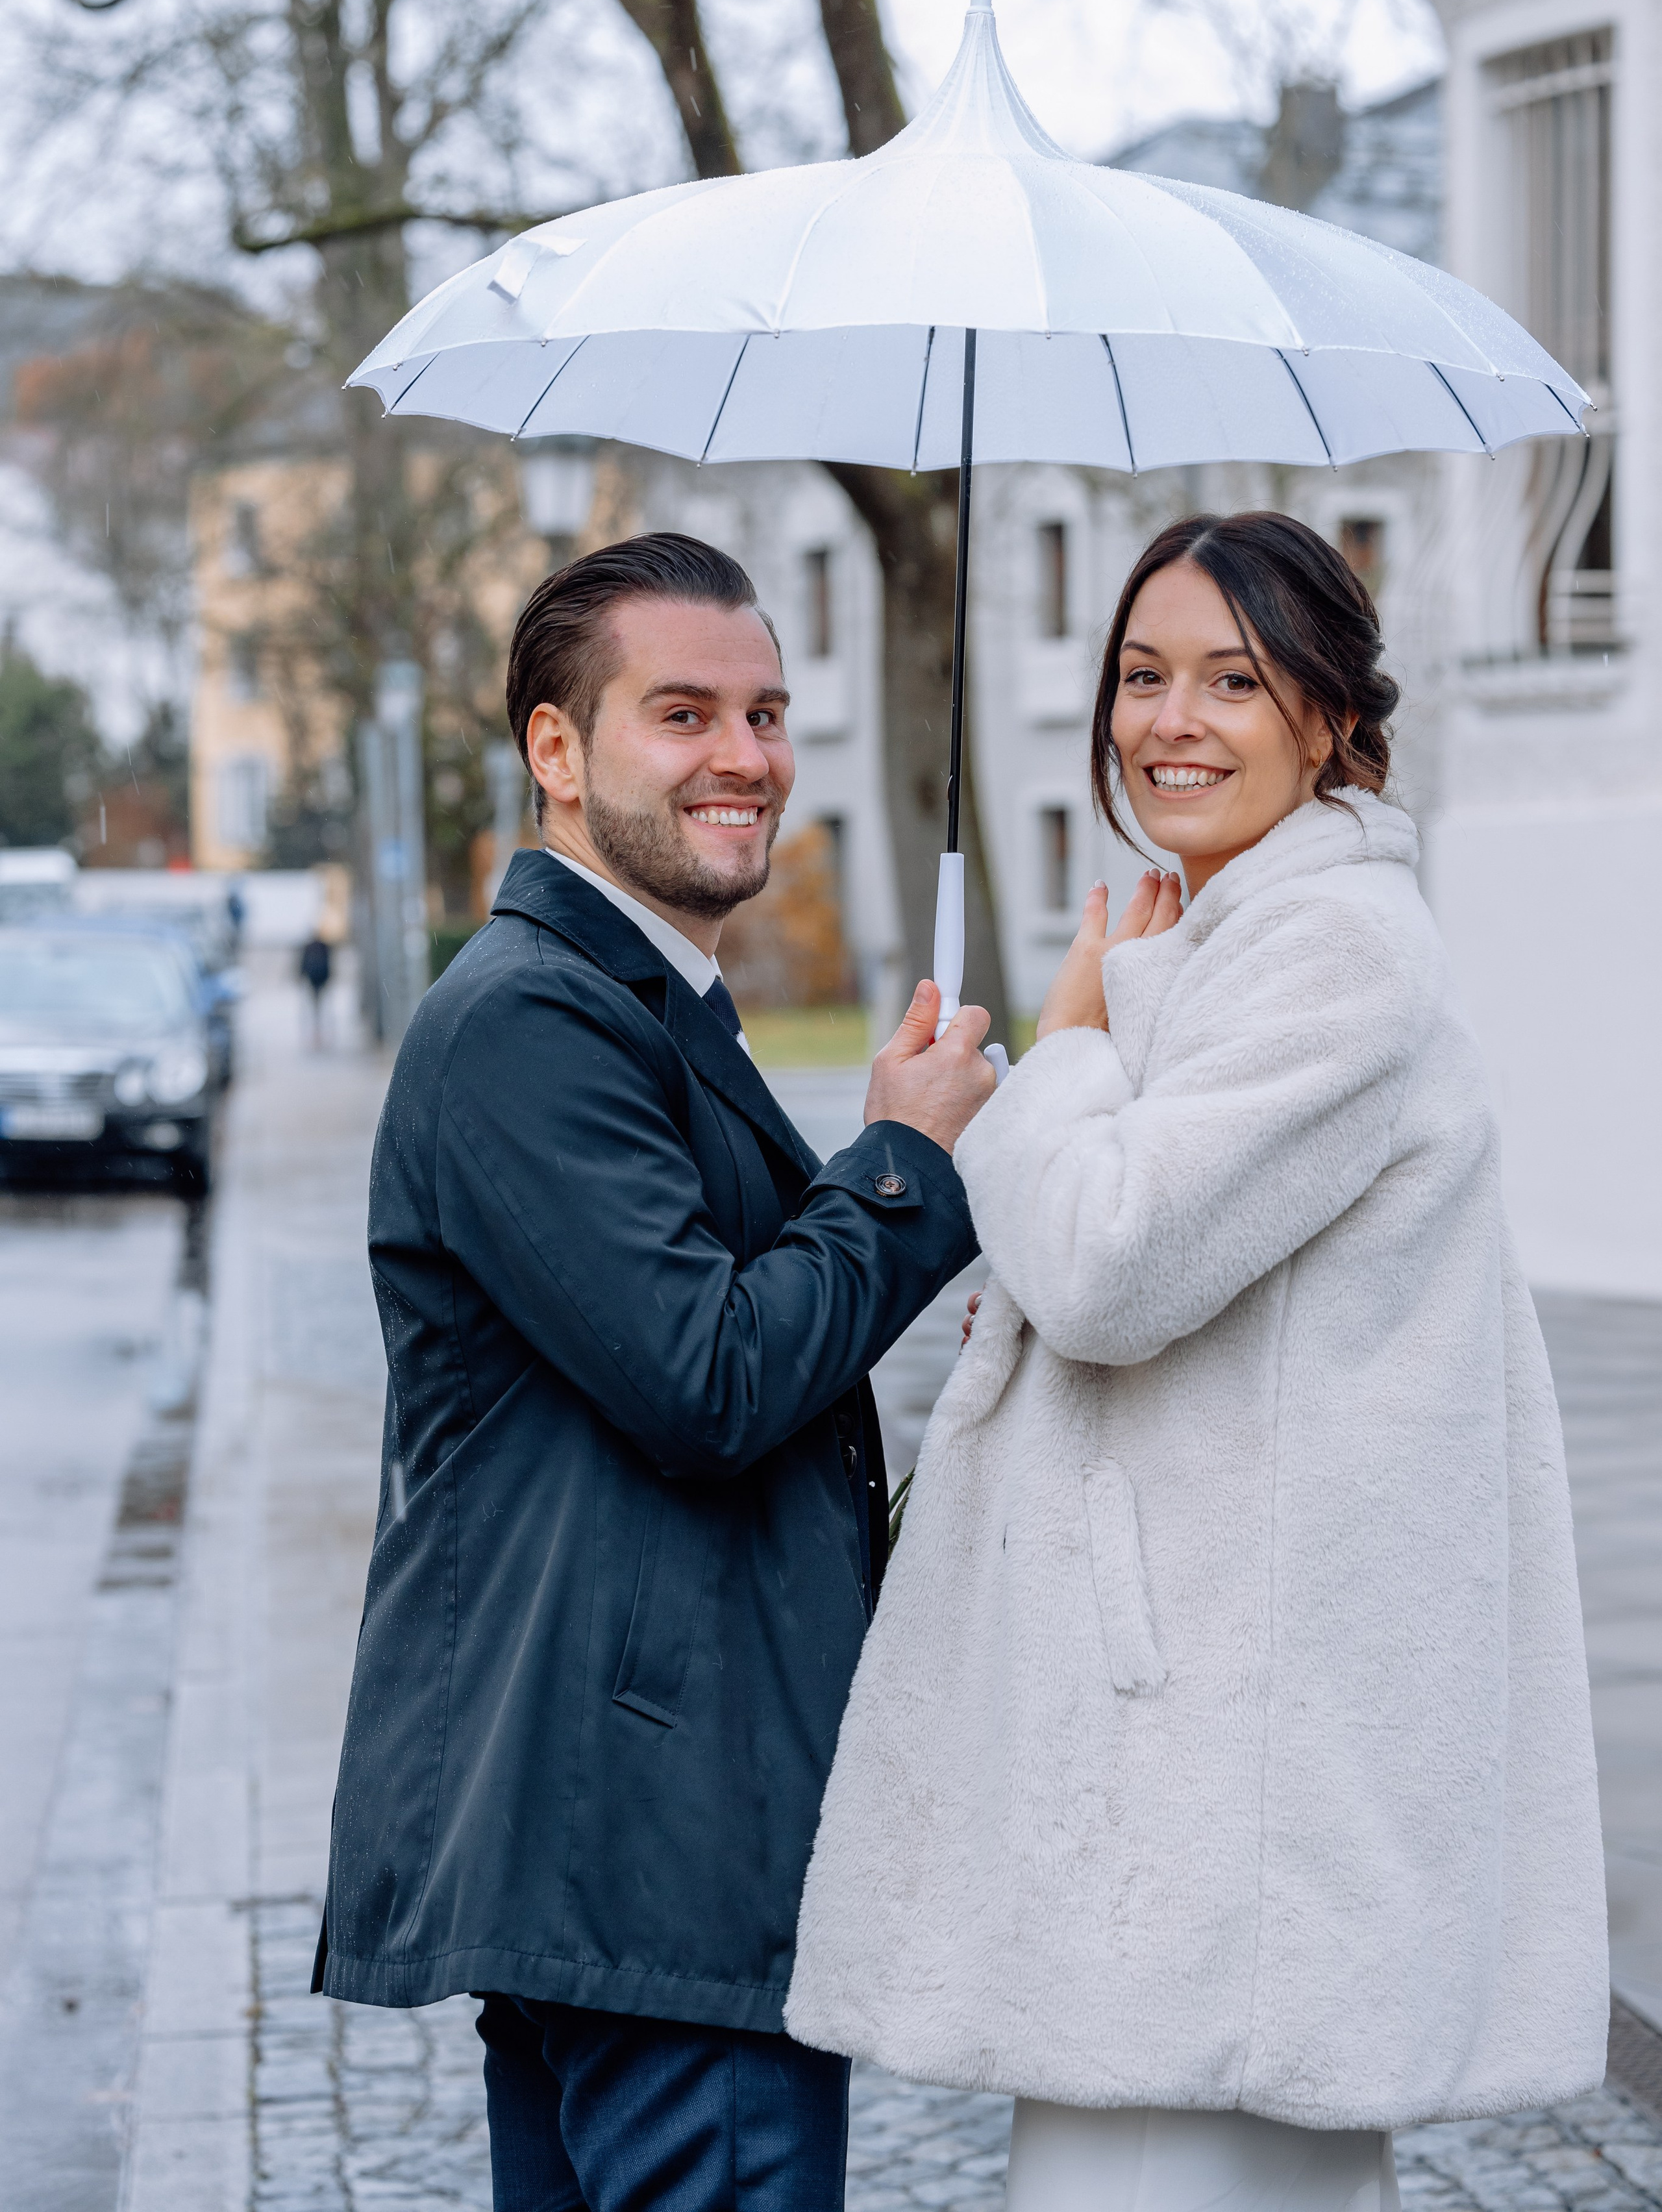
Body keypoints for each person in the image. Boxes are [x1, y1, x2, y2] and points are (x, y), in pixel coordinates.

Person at [787, 513, 1609, 2209]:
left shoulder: (1335, 953)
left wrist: (1072, 1040)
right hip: (1199, 1797)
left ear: (1330, 718)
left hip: (1221, 1816)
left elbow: (1106, 1263)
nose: (1172, 720)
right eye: (1143, 676)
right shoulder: (1239, 942)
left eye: (1234, 680)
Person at [314, 532, 994, 2212]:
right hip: (656, 1837)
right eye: (683, 713)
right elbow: (712, 1376)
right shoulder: (529, 1023)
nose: (746, 757)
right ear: (558, 751)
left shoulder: (645, 1002)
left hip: (638, 1837)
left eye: (767, 714)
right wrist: (902, 1168)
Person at [298, 931, 332, 1045]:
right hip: (319, 979)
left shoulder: (313, 947)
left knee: (316, 1005)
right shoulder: (324, 947)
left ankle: (317, 1031)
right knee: (318, 1005)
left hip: (315, 979)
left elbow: (303, 963)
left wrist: (301, 975)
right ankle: (318, 1031)